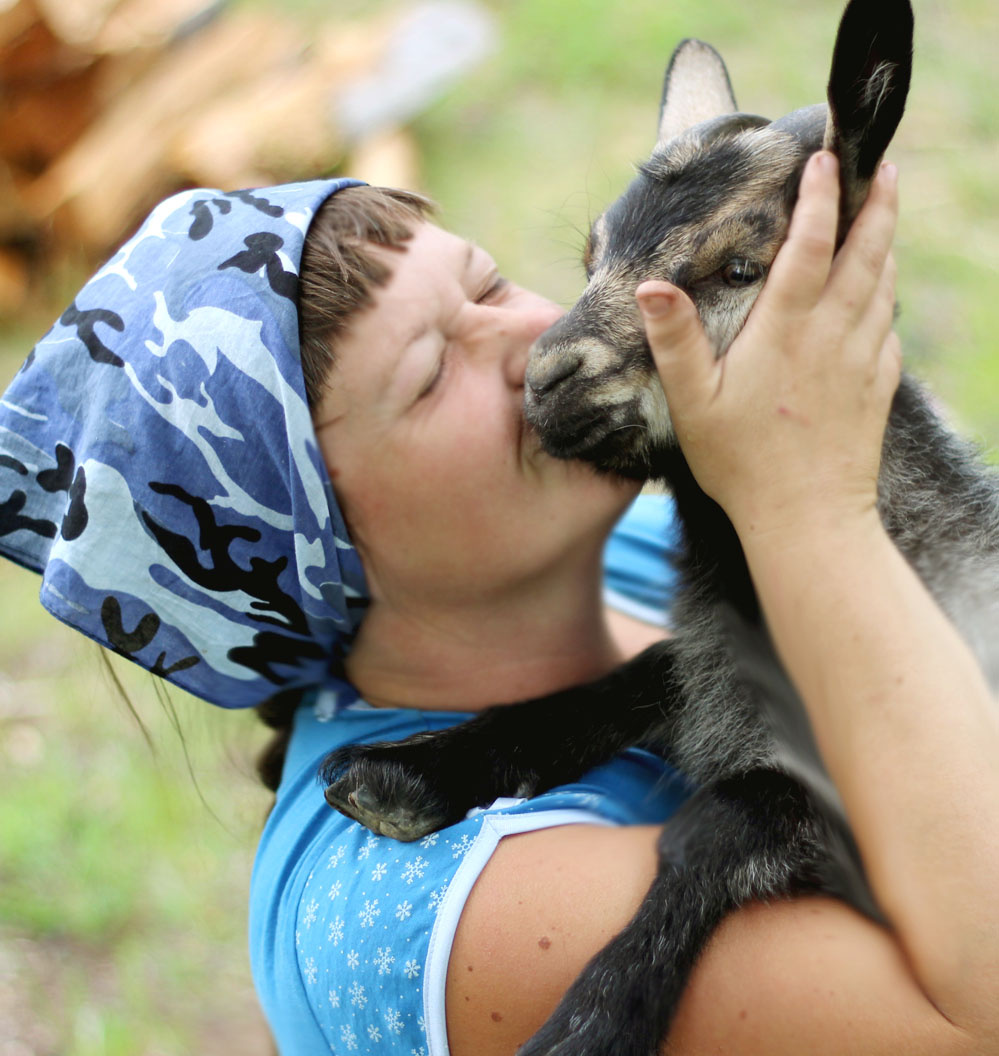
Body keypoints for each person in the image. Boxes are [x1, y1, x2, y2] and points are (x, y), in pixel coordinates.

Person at [0, 154, 996, 1056]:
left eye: (486, 284)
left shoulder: (648, 556)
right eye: (433, 377)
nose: (537, 336)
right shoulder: (455, 910)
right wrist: (811, 513)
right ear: (323, 552)